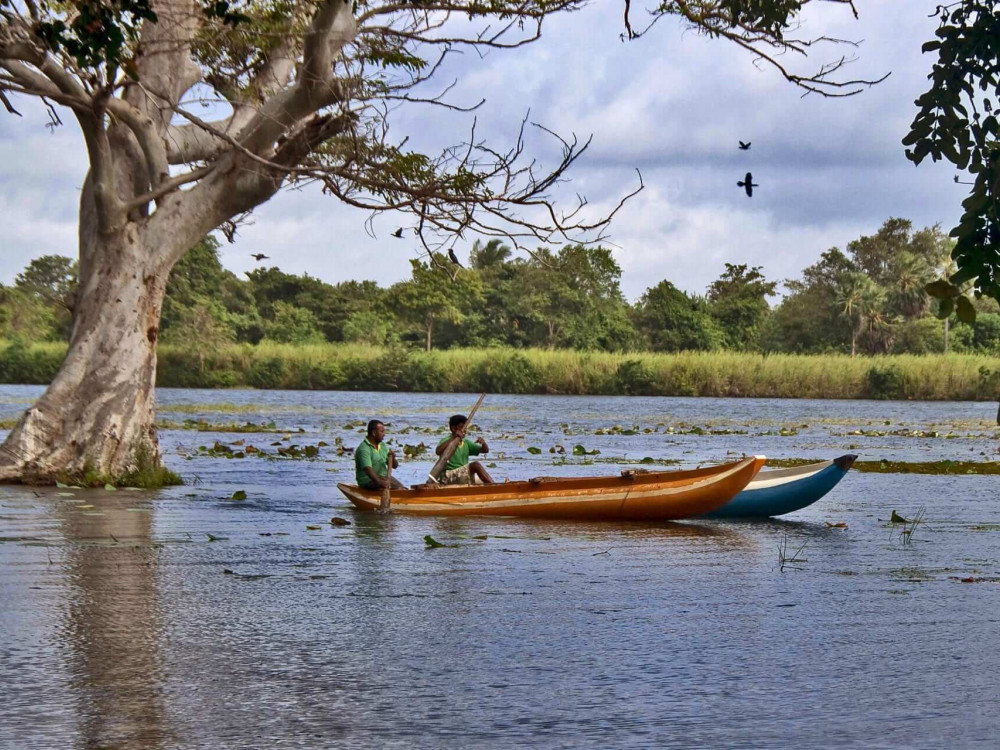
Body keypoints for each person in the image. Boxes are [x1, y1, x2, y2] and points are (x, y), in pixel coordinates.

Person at [434, 414, 494, 485]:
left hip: (462, 474)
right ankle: (495, 487)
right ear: (453, 429)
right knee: (476, 465)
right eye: (462, 427)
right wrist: (453, 438)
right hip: (449, 475)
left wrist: (483, 443)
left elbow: (485, 450)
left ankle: (495, 486)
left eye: (465, 428)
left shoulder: (466, 442)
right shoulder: (446, 440)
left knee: (484, 480)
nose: (465, 430)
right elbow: (438, 451)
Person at [355, 419, 406, 490]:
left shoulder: (383, 446)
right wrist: (381, 483)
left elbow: (395, 466)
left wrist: (393, 458)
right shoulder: (364, 449)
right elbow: (368, 469)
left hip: (384, 478)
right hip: (369, 481)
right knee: (397, 489)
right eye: (381, 431)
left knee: (403, 489)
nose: (384, 434)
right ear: (374, 433)